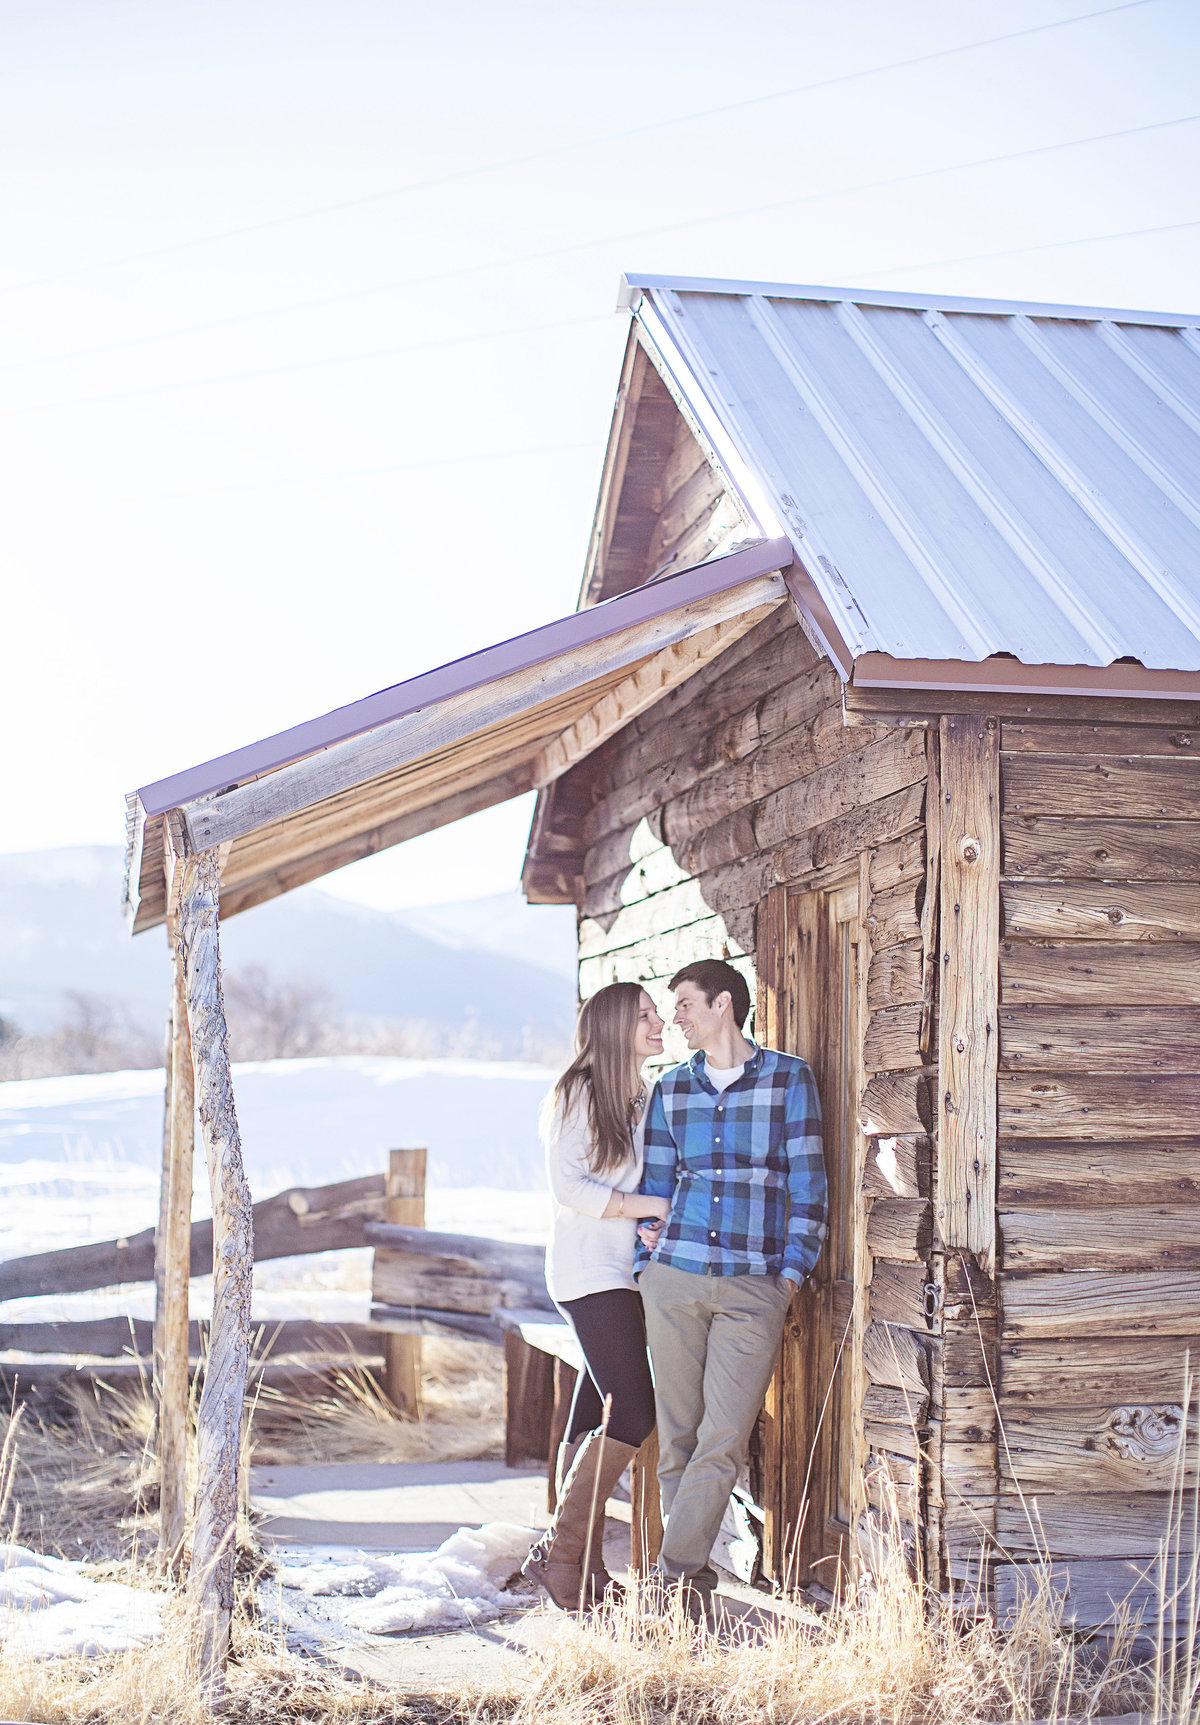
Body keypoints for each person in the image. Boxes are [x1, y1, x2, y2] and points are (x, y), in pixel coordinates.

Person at [635, 958, 827, 1618]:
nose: (676, 1017)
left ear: (723, 1004)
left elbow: (809, 1185)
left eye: (685, 1004)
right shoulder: (670, 1090)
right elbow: (654, 1189)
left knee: (723, 1438)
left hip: (753, 1284)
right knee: (678, 1436)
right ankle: (683, 1589)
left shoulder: (787, 1079)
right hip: (675, 1280)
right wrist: (645, 1261)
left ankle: (669, 1575)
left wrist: (791, 1274)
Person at [521, 981, 668, 1610]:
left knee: (595, 1413)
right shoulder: (577, 1092)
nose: (659, 1021)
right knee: (634, 1409)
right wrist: (646, 1206)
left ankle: (569, 1563)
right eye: (645, 1015)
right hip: (588, 1274)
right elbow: (568, 1187)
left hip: (624, 1271)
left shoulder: (642, 1093)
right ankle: (561, 1556)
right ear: (613, 1028)